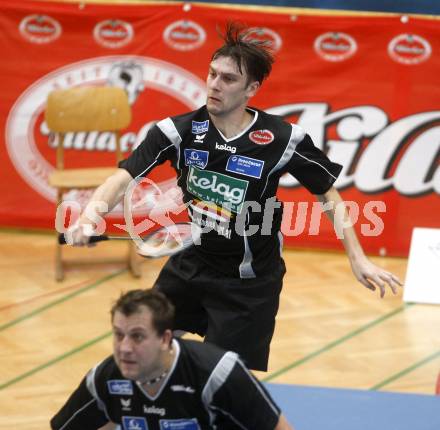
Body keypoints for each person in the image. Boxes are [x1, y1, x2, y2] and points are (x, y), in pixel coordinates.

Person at [67, 22, 401, 372]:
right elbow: (124, 176)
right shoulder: (177, 132)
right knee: (146, 349)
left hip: (249, 282)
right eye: (212, 74)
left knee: (225, 380)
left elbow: (327, 193)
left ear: (251, 88)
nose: (214, 84)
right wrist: (92, 213)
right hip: (193, 262)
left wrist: (358, 258)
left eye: (228, 79)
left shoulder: (282, 139)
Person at [50, 289, 294, 430]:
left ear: (165, 338)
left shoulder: (217, 374)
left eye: (137, 337)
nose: (124, 348)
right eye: (119, 335)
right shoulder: (105, 379)